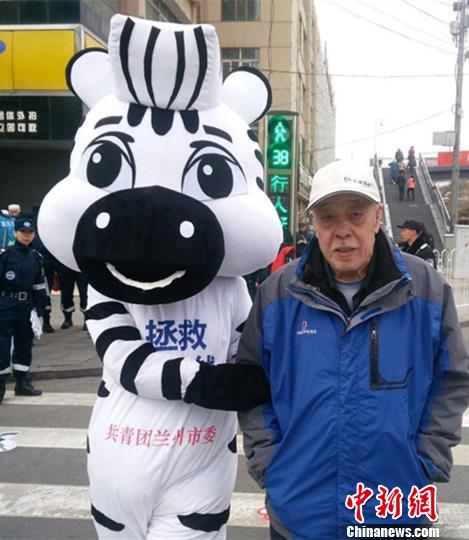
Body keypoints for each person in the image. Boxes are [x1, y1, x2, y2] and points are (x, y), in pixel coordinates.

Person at [237, 160, 469, 539]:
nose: (342, 231)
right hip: (299, 511)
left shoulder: (424, 288)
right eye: (328, 217)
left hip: (395, 510)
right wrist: (269, 462)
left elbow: (452, 380)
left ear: (378, 218)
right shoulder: (279, 292)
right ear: (314, 224)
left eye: (356, 215)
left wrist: (428, 458)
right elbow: (251, 381)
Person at [0, 213, 48, 404]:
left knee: (24, 344)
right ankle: (1, 385)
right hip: (6, 303)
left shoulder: (36, 257)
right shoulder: (5, 256)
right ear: (15, 233)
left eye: (30, 232)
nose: (27, 235)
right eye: (23, 231)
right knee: (2, 346)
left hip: (26, 305)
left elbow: (39, 285)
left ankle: (22, 382)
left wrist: (39, 309)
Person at [58, 264, 88, 330]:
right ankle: (68, 318)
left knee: (85, 294)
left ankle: (87, 319)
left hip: (82, 267)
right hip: (66, 267)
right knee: (66, 295)